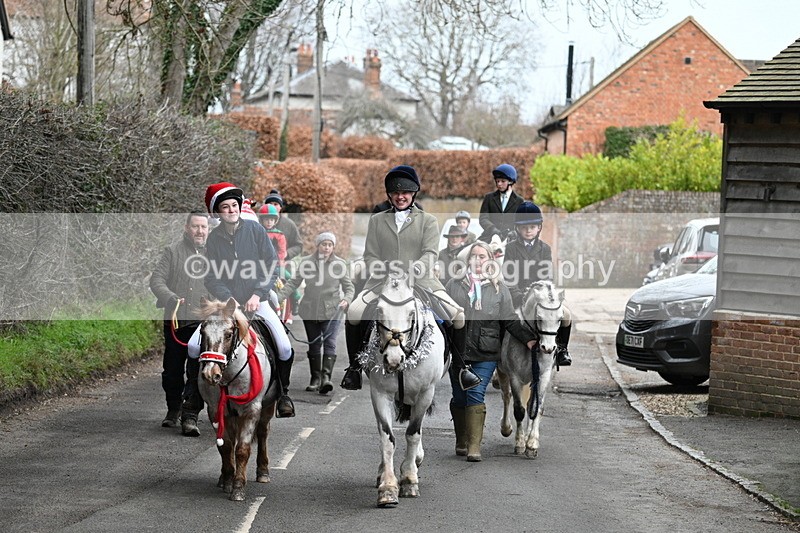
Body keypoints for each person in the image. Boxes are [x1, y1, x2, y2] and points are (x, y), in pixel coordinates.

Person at [341, 165, 479, 391]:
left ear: (413, 194)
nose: (400, 196)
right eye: (395, 193)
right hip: (382, 283)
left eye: (405, 192)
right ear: (389, 195)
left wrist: (413, 270)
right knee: (354, 312)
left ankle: (461, 368)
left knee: (458, 315)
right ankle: (354, 368)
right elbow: (370, 255)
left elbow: (431, 254)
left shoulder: (428, 221)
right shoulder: (377, 220)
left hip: (421, 282)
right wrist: (385, 270)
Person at [202, 182, 296, 418]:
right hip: (226, 305)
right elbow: (211, 276)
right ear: (218, 212)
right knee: (195, 346)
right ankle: (193, 396)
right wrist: (228, 298)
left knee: (284, 347)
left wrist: (258, 294)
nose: (232, 210)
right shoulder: (213, 240)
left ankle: (283, 393)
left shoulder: (256, 231)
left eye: (235, 205)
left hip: (258, 300)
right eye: (225, 207)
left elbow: (271, 265)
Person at [445, 241, 537, 461]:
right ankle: (462, 439)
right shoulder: (454, 285)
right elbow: (443, 315)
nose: (478, 260)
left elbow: (510, 320)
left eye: (483, 256)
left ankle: (474, 447)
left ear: (490, 261)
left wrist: (529, 339)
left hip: (486, 352)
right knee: (459, 397)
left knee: (476, 393)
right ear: (468, 260)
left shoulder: (499, 288)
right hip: (458, 351)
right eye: (474, 256)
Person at [149, 211, 209, 436]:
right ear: (187, 228)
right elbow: (156, 279)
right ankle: (173, 409)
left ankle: (190, 415)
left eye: (203, 227)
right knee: (172, 372)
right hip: (175, 321)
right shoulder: (172, 252)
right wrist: (170, 297)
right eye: (195, 226)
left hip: (202, 325)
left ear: (208, 230)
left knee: (195, 371)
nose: (199, 231)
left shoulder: (215, 255)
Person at [278, 231, 354, 394]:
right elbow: (293, 283)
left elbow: (349, 287)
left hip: (333, 310)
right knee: (314, 343)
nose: (326, 248)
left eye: (329, 245)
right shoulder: (307, 262)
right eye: (323, 244)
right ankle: (315, 378)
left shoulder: (339, 264)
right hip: (310, 310)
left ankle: (326, 378)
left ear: (333, 247)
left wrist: (346, 299)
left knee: (330, 343)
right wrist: (278, 297)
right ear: (318, 246)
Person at [504, 201, 572, 367]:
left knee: (567, 315)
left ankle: (562, 349)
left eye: (532, 227)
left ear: (539, 228)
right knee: (502, 317)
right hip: (517, 295)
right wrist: (518, 295)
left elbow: (547, 276)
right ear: (517, 228)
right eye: (524, 227)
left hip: (540, 295)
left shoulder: (545, 249)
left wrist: (541, 295)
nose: (528, 230)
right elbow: (509, 277)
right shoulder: (511, 248)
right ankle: (499, 358)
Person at [478, 164, 524, 243]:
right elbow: (483, 218)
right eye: (497, 181)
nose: (499, 184)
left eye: (503, 181)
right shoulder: (489, 198)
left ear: (511, 182)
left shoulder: (519, 201)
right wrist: (493, 229)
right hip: (489, 236)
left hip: (510, 240)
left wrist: (514, 232)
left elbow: (521, 222)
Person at [263, 189, 303, 261]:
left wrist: (287, 253)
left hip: (283, 262)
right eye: (270, 204)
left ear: (280, 207)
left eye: (276, 204)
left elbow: (298, 245)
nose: (273, 206)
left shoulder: (289, 224)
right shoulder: (258, 223)